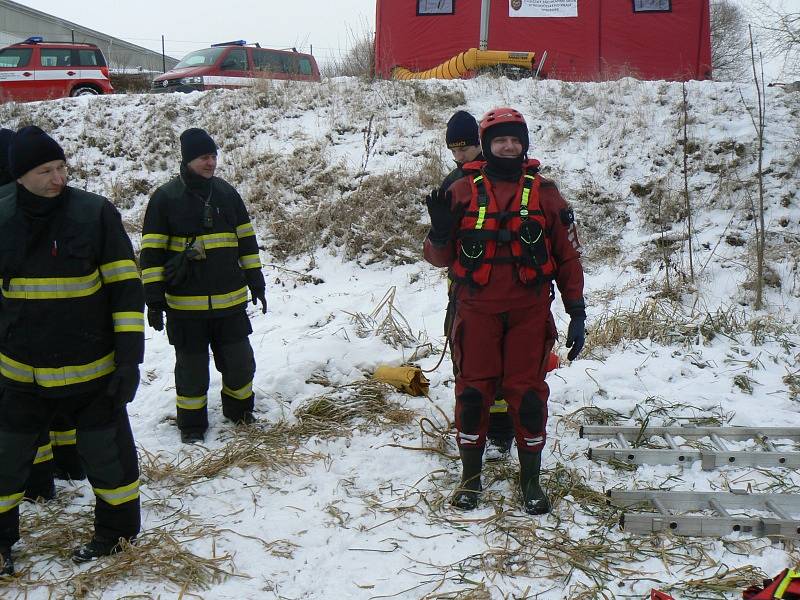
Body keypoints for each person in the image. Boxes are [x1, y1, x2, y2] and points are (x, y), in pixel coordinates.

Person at [423, 108, 586, 514]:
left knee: (528, 396)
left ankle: (531, 480)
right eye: (500, 140)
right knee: (474, 394)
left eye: (515, 139)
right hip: (476, 312)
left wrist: (576, 310)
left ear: (524, 143)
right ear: (488, 145)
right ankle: (470, 479)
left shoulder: (546, 194)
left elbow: (568, 257)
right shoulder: (461, 190)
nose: (509, 146)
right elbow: (438, 258)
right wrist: (439, 231)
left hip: (529, 312)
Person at [0, 126, 144, 574]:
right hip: (21, 375)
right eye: (45, 170)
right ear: (20, 175)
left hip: (92, 371)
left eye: (62, 167)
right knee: (5, 461)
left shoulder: (94, 213)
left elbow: (125, 289)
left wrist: (128, 360)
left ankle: (116, 536)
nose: (58, 178)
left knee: (108, 457)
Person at [140, 128, 266, 444]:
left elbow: (247, 242)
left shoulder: (227, 194)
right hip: (185, 309)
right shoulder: (165, 199)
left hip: (230, 305)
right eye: (203, 157)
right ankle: (192, 426)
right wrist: (153, 299)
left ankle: (240, 413)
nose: (210, 163)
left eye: (213, 156)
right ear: (187, 160)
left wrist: (257, 281)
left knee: (240, 365)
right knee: (191, 373)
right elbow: (152, 253)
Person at [0, 128, 85, 508]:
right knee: (54, 399)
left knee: (21, 410)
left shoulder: (12, 208)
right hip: (52, 329)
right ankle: (67, 463)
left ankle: (38, 482)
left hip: (17, 328)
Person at [440, 111, 515, 462]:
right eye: (453, 151)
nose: (460, 156)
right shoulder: (452, 183)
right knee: (467, 361)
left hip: (501, 289)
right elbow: (442, 245)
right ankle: (472, 426)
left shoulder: (502, 175)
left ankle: (501, 432)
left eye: (465, 148)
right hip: (465, 288)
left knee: (500, 366)